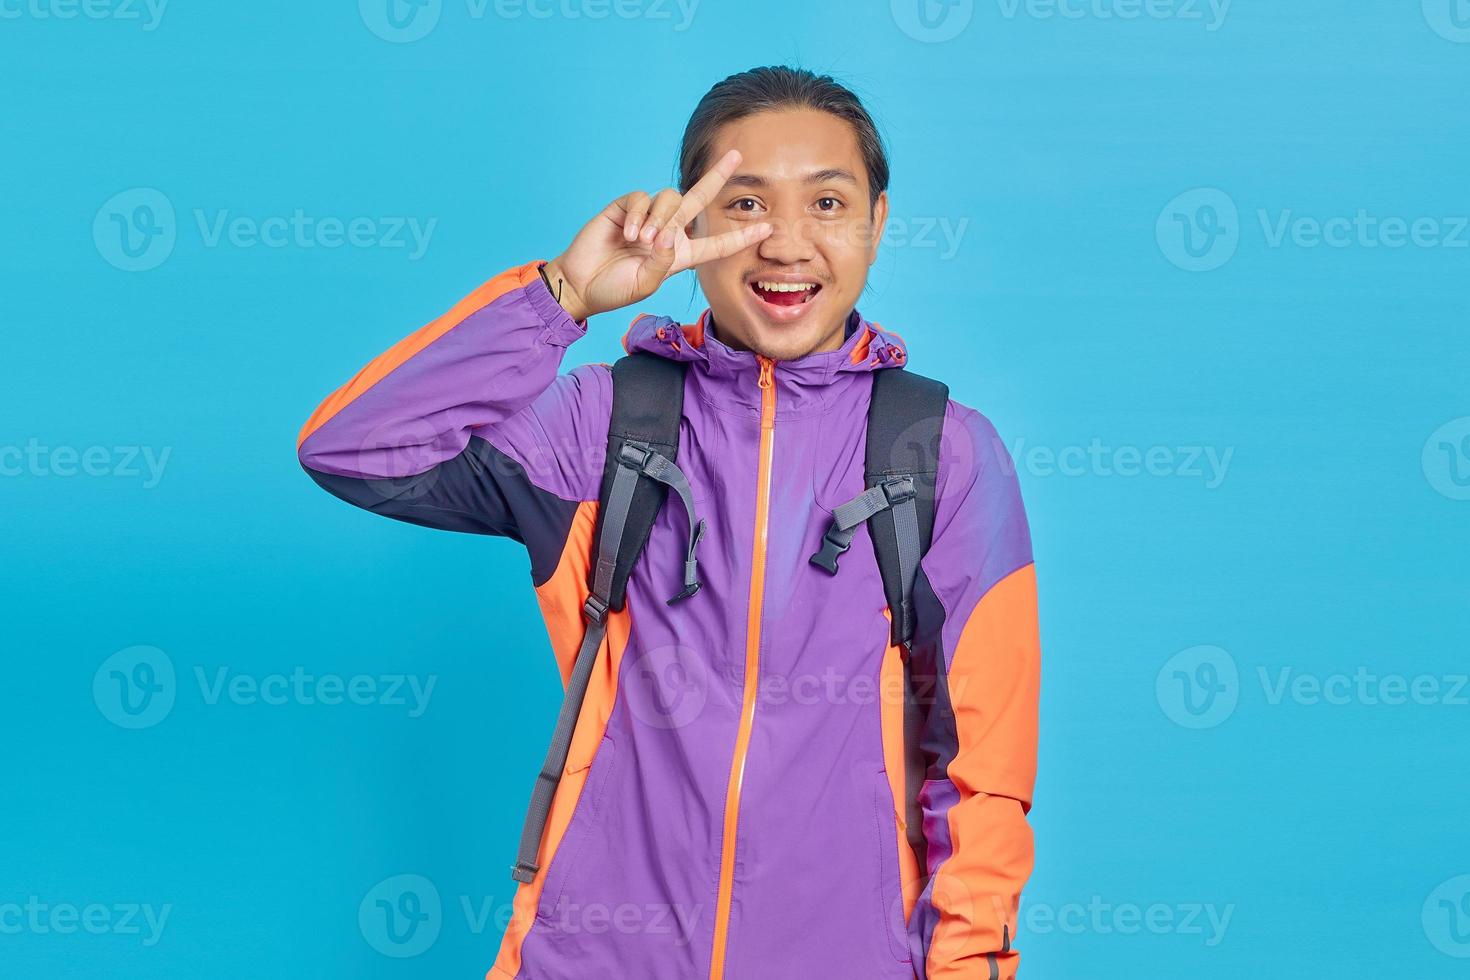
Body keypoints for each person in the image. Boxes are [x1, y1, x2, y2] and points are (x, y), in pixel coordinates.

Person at [297, 65, 1040, 980]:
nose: (787, 243)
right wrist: (561, 296)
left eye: (829, 203)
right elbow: (353, 449)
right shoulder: (602, 423)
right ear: (689, 225)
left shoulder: (942, 453)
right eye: (744, 205)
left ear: (877, 224)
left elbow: (984, 777)